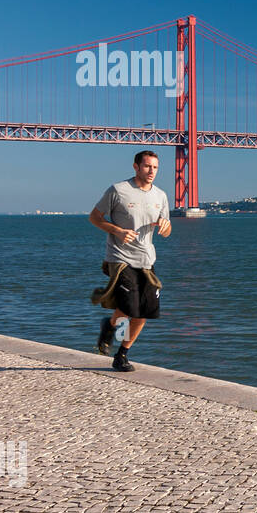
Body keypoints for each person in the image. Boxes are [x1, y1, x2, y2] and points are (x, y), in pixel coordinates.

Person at [88, 150, 172, 371]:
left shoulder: (161, 196)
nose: (151, 171)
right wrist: (117, 230)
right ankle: (111, 325)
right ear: (136, 167)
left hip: (146, 259)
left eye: (155, 167)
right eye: (147, 166)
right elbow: (94, 217)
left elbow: (167, 229)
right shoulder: (118, 190)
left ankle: (121, 353)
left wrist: (165, 227)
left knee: (144, 312)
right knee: (129, 307)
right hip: (120, 258)